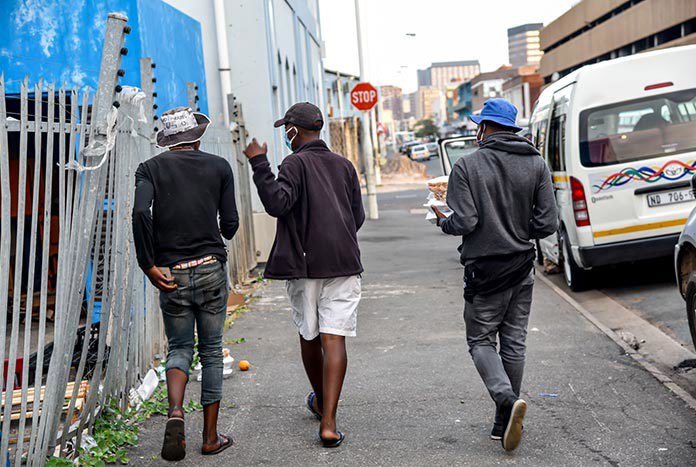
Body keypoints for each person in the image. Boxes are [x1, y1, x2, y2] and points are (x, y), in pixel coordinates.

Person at [433, 98, 557, 452]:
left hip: (484, 270)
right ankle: (504, 422)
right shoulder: (536, 164)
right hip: (521, 266)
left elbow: (465, 221)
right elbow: (547, 223)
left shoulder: (467, 166)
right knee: (514, 341)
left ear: (485, 128)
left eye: (478, 125)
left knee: (481, 340)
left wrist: (443, 221)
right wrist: (519, 229)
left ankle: (505, 401)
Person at [242, 102, 364, 448]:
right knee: (334, 338)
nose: (285, 134)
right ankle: (328, 421)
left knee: (310, 335)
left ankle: (321, 401)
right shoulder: (344, 165)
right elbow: (357, 217)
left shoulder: (293, 163)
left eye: (287, 129)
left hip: (307, 265)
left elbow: (278, 204)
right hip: (344, 263)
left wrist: (259, 163)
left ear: (295, 130)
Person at [133, 106, 238, 461]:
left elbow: (139, 212)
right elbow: (231, 224)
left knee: (179, 347)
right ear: (197, 136)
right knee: (211, 351)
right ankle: (210, 437)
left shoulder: (149, 169)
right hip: (209, 267)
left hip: (171, 272)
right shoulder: (219, 167)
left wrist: (148, 264)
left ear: (167, 141)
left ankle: (175, 412)